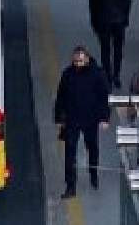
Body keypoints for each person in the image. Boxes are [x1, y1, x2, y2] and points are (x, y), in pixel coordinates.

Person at [53, 46, 110, 198]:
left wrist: (104, 118)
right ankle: (70, 185)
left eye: (80, 61)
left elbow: (103, 97)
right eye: (75, 61)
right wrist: (59, 118)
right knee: (70, 152)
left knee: (92, 148)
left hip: (90, 119)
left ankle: (93, 173)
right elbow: (61, 97)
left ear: (86, 59)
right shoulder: (67, 74)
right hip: (72, 119)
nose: (77, 64)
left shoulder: (97, 74)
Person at [89, 0, 131, 89]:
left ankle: (107, 75)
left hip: (103, 21)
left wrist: (94, 23)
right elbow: (127, 2)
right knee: (118, 50)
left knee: (105, 49)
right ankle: (116, 75)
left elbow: (93, 6)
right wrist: (125, 18)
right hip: (119, 22)